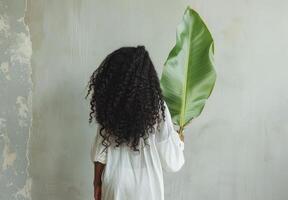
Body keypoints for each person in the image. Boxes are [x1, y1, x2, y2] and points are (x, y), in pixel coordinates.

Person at [86, 45, 185, 200]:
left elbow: (101, 153)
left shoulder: (111, 106)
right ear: (147, 76)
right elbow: (172, 163)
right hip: (148, 187)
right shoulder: (157, 107)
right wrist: (179, 143)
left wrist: (97, 183)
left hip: (116, 183)